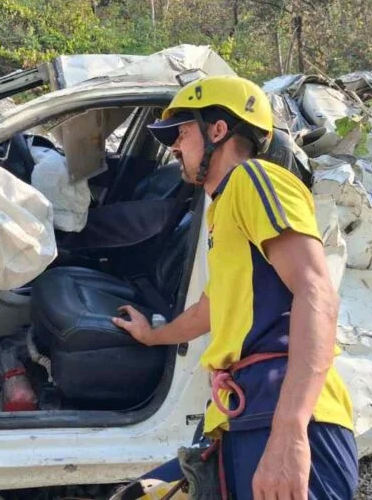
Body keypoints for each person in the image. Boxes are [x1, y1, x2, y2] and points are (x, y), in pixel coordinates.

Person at [112, 75, 358, 500]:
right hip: (239, 411)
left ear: (218, 130)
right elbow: (211, 308)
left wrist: (289, 432)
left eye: (181, 133)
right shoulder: (220, 210)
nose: (174, 147)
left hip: (279, 407)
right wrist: (153, 335)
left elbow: (316, 291)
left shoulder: (255, 180)